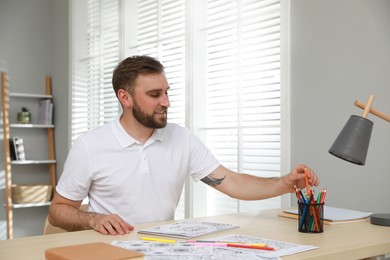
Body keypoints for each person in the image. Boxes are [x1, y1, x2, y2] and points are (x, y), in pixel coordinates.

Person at [48, 55, 319, 235]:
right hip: (110, 252)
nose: (166, 101)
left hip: (162, 247)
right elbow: (58, 211)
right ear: (125, 97)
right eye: (155, 94)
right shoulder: (90, 145)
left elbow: (232, 183)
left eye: (167, 92)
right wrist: (92, 219)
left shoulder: (182, 139)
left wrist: (285, 183)